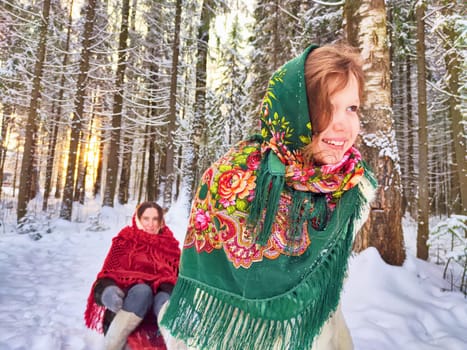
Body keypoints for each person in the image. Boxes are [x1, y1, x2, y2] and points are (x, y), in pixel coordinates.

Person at [158, 42, 377, 350]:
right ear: (294, 110)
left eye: (351, 108)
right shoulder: (233, 179)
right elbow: (213, 288)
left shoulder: (351, 185)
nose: (342, 124)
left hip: (316, 332)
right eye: (326, 107)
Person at [84, 201, 181, 350]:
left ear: (161, 221)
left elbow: (179, 281)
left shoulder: (171, 246)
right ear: (138, 218)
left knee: (165, 298)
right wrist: (108, 292)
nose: (151, 224)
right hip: (127, 307)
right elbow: (105, 277)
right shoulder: (124, 241)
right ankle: (111, 346)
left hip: (159, 317)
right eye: (146, 218)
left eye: (155, 219)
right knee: (143, 291)